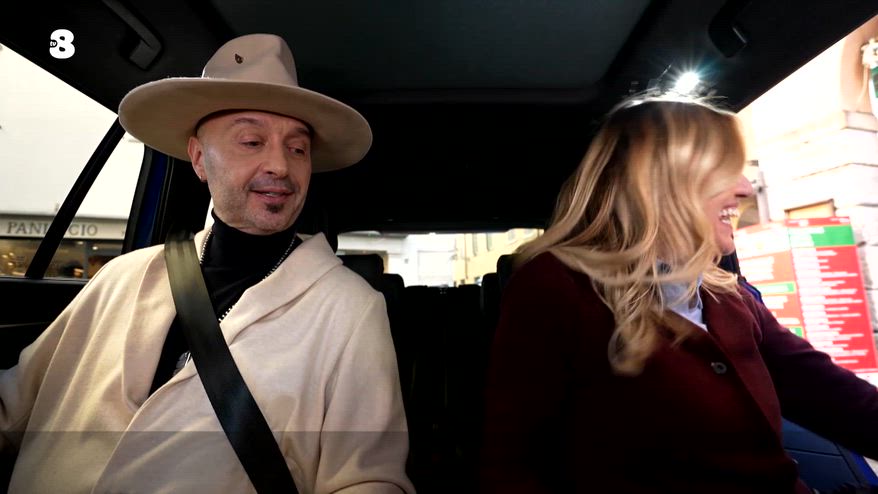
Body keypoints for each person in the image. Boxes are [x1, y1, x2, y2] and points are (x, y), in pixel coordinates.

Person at [0, 34, 413, 493]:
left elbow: (367, 480)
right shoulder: (122, 276)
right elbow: (13, 409)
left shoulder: (350, 308)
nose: (280, 165)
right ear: (199, 158)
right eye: (252, 141)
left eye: (298, 149)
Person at [480, 95, 878, 493]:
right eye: (725, 169)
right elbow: (514, 466)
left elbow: (831, 394)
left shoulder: (731, 296)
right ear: (664, 179)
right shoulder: (557, 287)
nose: (744, 187)